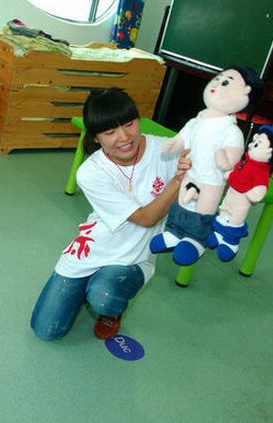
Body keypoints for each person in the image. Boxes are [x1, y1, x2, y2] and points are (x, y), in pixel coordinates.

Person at [30, 88, 191, 341]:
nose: (124, 137)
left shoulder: (165, 149)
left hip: (133, 259)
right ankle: (88, 288)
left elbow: (212, 170)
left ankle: (110, 308)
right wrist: (177, 181)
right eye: (110, 132)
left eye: (129, 124)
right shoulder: (91, 172)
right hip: (92, 250)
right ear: (96, 137)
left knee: (104, 296)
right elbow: (146, 218)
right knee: (46, 330)